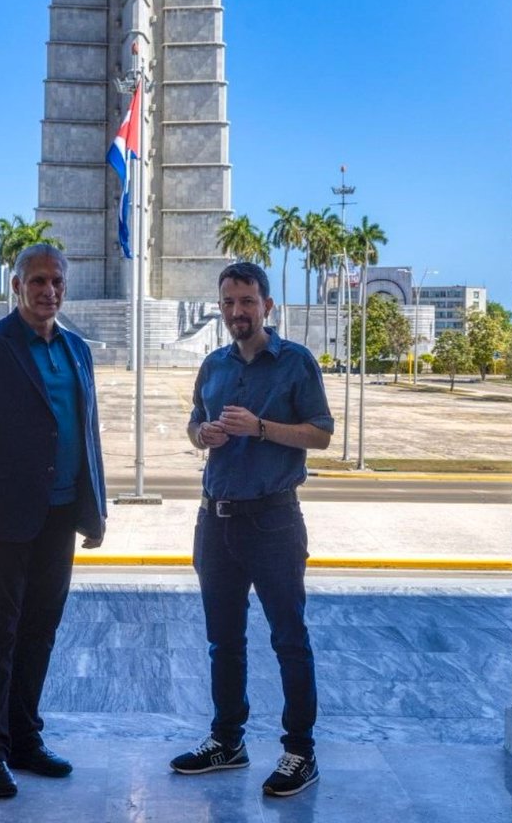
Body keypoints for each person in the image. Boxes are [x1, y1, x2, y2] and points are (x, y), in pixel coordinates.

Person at [0, 243, 106, 799]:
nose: (49, 291)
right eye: (38, 281)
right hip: (2, 522)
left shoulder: (77, 351)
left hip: (60, 516)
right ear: (16, 286)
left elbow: (87, 435)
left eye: (57, 282)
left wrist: (94, 509)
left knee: (40, 633)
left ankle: (24, 739)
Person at [170, 261, 333, 798]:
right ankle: (227, 741)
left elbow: (321, 435)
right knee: (223, 642)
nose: (237, 312)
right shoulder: (213, 365)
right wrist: (205, 434)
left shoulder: (295, 363)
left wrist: (260, 428)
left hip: (273, 520)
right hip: (214, 520)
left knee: (289, 638)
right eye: (228, 303)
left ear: (267, 305)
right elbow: (194, 423)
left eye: (247, 302)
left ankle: (299, 752)